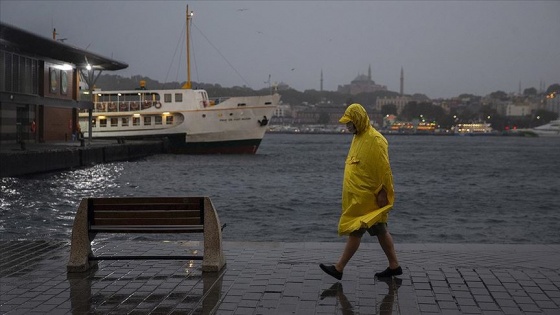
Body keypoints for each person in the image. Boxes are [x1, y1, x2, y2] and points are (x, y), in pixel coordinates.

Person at [320, 103, 402, 280]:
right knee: (381, 231)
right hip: (359, 198)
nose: (348, 126)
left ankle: (339, 268)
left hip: (369, 199)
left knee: (356, 231)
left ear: (358, 120)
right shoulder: (357, 137)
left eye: (350, 122)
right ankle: (394, 265)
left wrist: (383, 192)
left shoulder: (375, 139)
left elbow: (384, 169)